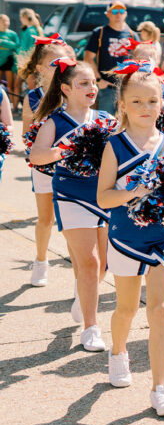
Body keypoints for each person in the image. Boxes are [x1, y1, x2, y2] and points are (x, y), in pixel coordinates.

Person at [96, 63, 164, 414]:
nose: (146, 108)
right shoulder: (115, 146)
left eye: (152, 100)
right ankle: (118, 351)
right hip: (126, 236)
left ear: (163, 102)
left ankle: (161, 388)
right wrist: (135, 191)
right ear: (123, 106)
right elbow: (103, 198)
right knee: (127, 308)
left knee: (160, 310)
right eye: (137, 102)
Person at [28, 58, 111, 352]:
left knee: (103, 265)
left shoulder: (104, 118)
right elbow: (36, 156)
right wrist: (64, 149)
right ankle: (91, 328)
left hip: (104, 196)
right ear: (66, 88)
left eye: (93, 82)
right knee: (89, 262)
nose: (92, 88)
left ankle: (82, 295)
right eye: (83, 83)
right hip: (71, 195)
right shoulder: (55, 121)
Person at [19, 35, 72, 288]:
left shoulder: (74, 91)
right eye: (54, 62)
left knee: (75, 219)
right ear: (40, 68)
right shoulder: (33, 97)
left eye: (64, 61)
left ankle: (81, 268)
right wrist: (43, 150)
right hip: (44, 166)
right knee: (46, 219)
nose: (60, 66)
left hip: (73, 167)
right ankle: (41, 260)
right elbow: (26, 135)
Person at [84, 1, 139, 114]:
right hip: (107, 89)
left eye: (121, 11)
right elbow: (88, 58)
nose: (118, 14)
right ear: (107, 14)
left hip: (127, 89)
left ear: (126, 14)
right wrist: (99, 80)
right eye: (114, 11)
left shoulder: (133, 35)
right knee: (106, 124)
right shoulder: (100, 33)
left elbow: (139, 60)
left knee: (125, 125)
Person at [13, 8, 44, 103]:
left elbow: (25, 49)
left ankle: (32, 110)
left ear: (24, 17)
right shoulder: (38, 29)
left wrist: (20, 61)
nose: (20, 19)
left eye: (21, 17)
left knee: (30, 88)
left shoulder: (28, 31)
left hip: (27, 63)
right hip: (35, 61)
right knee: (34, 87)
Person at [0, 15, 19, 96]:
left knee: (10, 86)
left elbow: (17, 46)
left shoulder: (12, 34)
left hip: (9, 61)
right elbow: (13, 45)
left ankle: (12, 106)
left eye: (6, 21)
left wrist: (3, 42)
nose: (5, 23)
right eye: (2, 21)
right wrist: (10, 45)